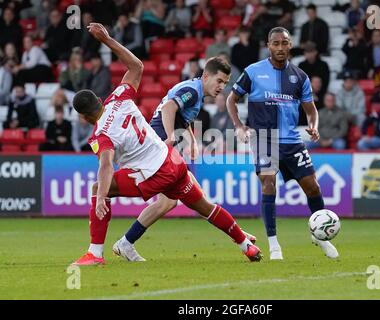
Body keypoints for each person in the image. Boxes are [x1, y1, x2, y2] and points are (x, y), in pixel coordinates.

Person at [71, 23, 261, 266]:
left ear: (84, 118)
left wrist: (99, 198)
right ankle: (247, 246)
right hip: (172, 160)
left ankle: (96, 254)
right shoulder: (119, 96)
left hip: (156, 171)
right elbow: (137, 66)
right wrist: (107, 40)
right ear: (99, 100)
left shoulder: (101, 135)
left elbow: (106, 165)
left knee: (100, 187)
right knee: (204, 206)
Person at [115, 57, 256, 261]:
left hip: (159, 151)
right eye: (219, 81)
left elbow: (181, 116)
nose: (221, 87)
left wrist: (191, 140)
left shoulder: (194, 92)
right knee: (192, 201)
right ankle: (240, 237)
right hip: (158, 152)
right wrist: (171, 136)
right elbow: (168, 108)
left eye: (225, 83)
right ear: (206, 76)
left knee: (171, 202)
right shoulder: (192, 91)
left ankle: (125, 243)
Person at [227, 27, 339, 260]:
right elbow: (232, 98)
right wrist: (239, 125)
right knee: (268, 184)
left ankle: (320, 235)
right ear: (269, 45)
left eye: (284, 43)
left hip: (292, 141)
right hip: (264, 139)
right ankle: (274, 245)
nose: (280, 47)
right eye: (275, 43)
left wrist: (314, 125)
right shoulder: (253, 72)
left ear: (290, 45)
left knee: (313, 187)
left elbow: (311, 110)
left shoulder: (300, 77)